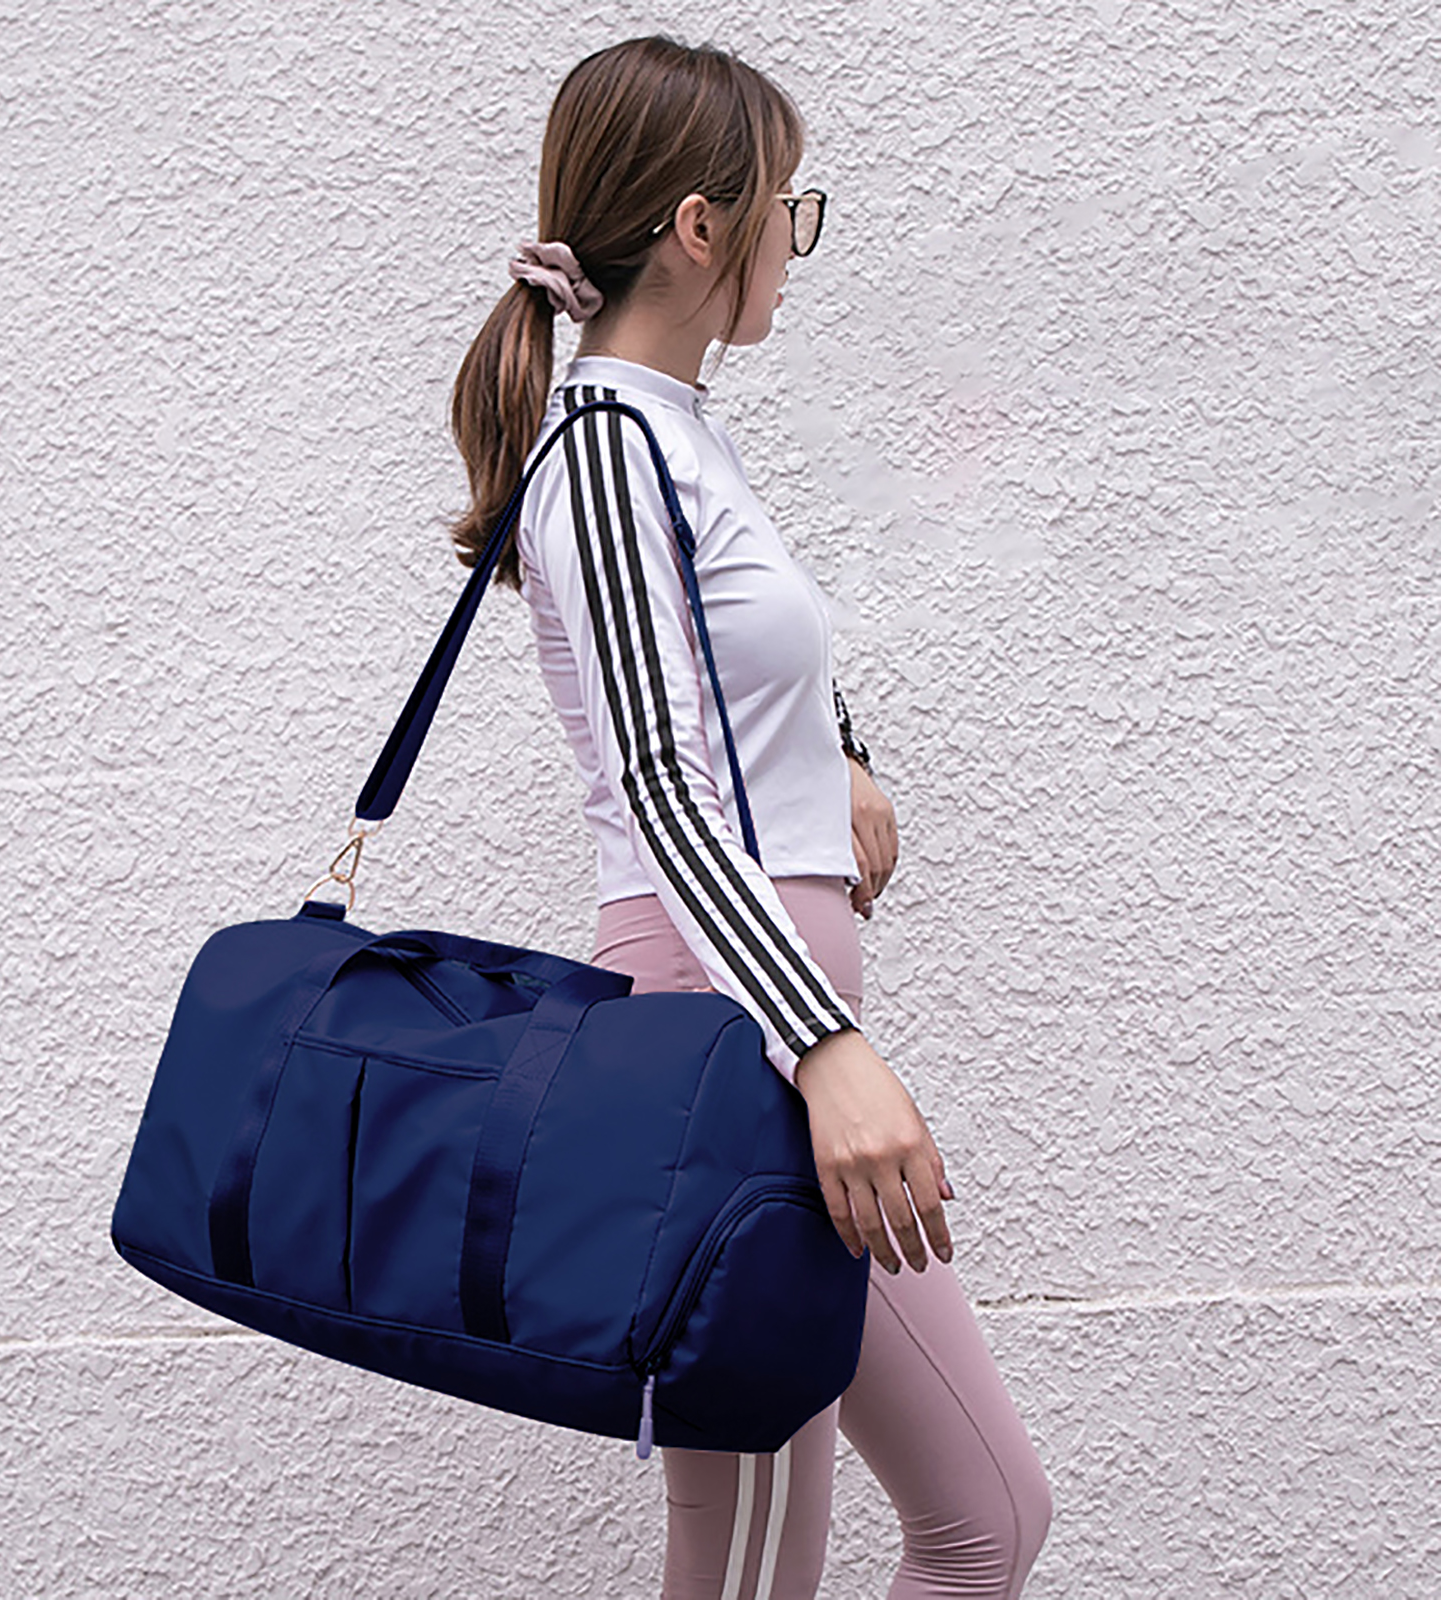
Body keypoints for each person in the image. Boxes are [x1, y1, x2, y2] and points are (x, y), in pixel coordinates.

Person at [449, 36, 1052, 1600]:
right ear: (705, 225)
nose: (802, 239)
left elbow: (728, 668)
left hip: (760, 1014)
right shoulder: (605, 451)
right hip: (731, 1032)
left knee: (944, 1523)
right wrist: (826, 1047)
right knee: (793, 1555)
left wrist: (835, 755)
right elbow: (660, 784)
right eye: (795, 207)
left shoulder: (675, 432)